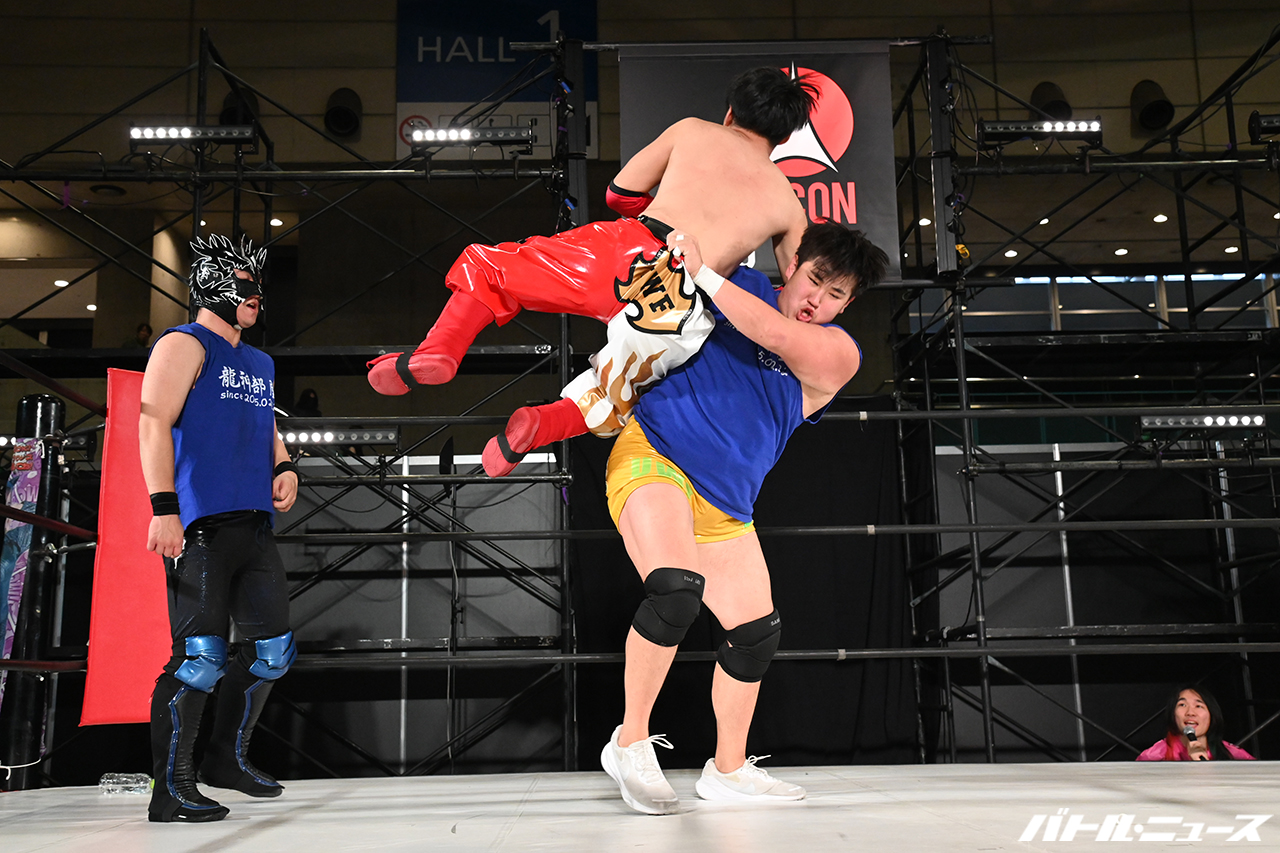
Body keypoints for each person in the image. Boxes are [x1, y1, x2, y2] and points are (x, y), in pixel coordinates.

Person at [365, 67, 816, 476]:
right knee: (613, 394)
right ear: (783, 138)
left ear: (731, 112)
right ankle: (539, 425)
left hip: (628, 250)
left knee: (491, 269)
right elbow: (798, 291)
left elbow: (620, 193)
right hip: (682, 302)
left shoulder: (694, 131)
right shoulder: (786, 202)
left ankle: (441, 349)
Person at [598, 222, 889, 814]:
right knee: (674, 592)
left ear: (848, 304)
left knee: (755, 633)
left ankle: (728, 771)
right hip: (654, 457)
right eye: (814, 280)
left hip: (727, 507)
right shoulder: (741, 281)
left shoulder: (838, 353)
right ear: (793, 265)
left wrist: (703, 273)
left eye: (836, 294)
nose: (817, 299)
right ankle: (629, 742)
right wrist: (694, 252)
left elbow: (772, 332)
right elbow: (723, 210)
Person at [138, 234, 300, 823]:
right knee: (199, 658)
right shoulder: (184, 343)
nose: (256, 295)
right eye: (244, 283)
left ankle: (226, 761)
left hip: (253, 521)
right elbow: (152, 422)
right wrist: (164, 507)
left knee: (272, 652)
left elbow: (262, 423)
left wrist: (283, 464)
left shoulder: (260, 362)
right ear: (211, 285)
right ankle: (171, 789)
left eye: (258, 285)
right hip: (200, 523)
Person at [1136, 686, 1255, 761]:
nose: (1190, 713)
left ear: (1212, 715)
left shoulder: (1233, 755)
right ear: (1173, 714)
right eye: (1182, 705)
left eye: (1198, 706)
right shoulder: (1154, 757)